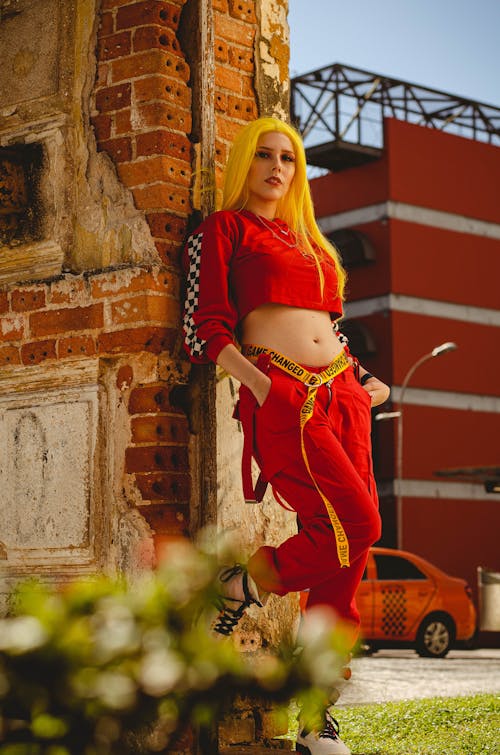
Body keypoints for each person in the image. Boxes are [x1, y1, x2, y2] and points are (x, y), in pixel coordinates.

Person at [182, 116, 390, 755]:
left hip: (345, 396)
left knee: (345, 560)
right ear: (243, 162)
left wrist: (361, 379)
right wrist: (265, 386)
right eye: (264, 156)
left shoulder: (314, 245)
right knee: (358, 524)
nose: (277, 168)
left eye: (290, 158)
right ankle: (245, 582)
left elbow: (329, 325)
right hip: (286, 396)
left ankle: (314, 716)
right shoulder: (224, 229)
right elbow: (204, 329)